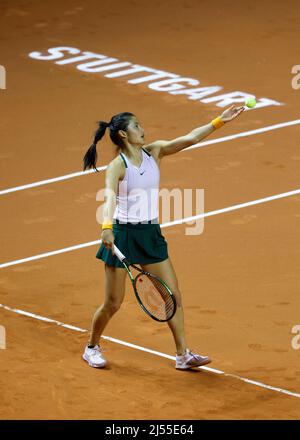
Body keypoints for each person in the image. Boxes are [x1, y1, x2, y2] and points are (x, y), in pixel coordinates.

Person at [82, 105, 245, 369]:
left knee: (172, 295)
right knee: (112, 303)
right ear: (123, 134)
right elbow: (110, 196)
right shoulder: (117, 166)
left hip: (150, 234)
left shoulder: (154, 151)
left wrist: (220, 121)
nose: (142, 130)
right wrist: (106, 228)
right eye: (136, 126)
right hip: (123, 235)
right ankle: (92, 347)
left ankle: (183, 355)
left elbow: (189, 139)